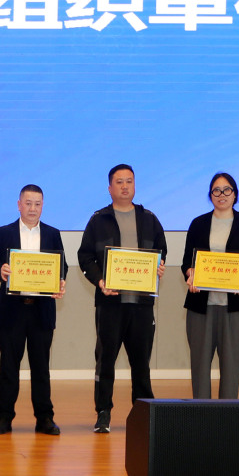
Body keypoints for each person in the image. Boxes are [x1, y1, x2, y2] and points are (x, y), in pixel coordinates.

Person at [77, 164, 168, 434]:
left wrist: (159, 266)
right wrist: (100, 280)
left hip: (141, 304)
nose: (125, 186)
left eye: (129, 181)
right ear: (110, 188)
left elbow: (161, 251)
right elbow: (85, 256)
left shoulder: (149, 219)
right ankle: (103, 412)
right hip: (110, 304)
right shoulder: (98, 220)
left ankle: (144, 413)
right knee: (105, 360)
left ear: (135, 185)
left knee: (141, 363)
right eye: (119, 182)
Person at [0, 184, 67, 436]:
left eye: (37, 204)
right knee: (9, 367)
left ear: (43, 206)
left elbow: (62, 265)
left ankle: (45, 419)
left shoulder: (52, 234)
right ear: (19, 205)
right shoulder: (4, 232)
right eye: (28, 203)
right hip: (12, 311)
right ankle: (4, 418)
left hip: (41, 310)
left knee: (41, 368)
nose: (32, 208)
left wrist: (60, 281)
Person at [182, 172, 239, 399]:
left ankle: (227, 415)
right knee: (199, 365)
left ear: (235, 194)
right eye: (216, 190)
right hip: (201, 305)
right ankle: (202, 414)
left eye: (227, 189)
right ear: (210, 195)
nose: (222, 194)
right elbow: (188, 260)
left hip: (234, 307)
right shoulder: (198, 223)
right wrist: (190, 273)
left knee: (231, 365)